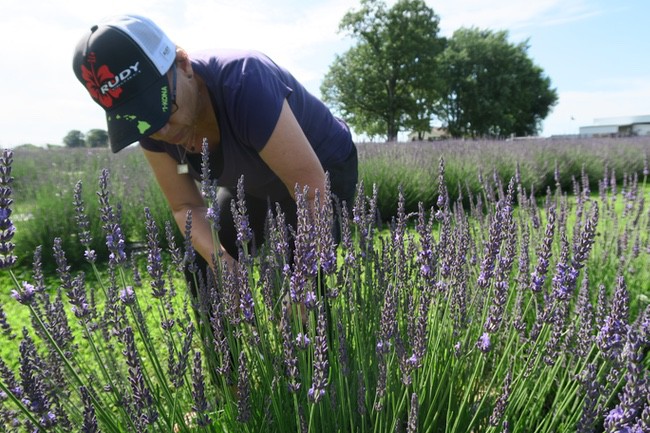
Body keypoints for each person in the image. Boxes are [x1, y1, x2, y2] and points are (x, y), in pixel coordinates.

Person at [72, 15, 358, 282]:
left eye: (163, 111)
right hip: (250, 183)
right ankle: (218, 336)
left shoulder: (245, 81)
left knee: (310, 281)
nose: (161, 131)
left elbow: (311, 191)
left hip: (322, 170)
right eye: (140, 122)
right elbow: (186, 206)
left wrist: (302, 283)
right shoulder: (152, 128)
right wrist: (222, 263)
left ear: (183, 64)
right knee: (201, 265)